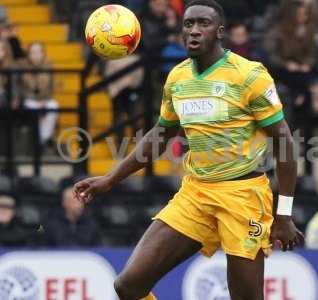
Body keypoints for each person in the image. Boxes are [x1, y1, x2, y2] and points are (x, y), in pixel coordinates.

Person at [74, 1, 304, 299]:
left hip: (243, 197)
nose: (194, 31)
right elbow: (161, 134)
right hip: (196, 193)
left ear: (220, 32)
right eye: (188, 24)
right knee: (128, 286)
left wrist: (283, 215)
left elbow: (284, 142)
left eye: (203, 24)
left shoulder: (249, 76)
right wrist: (110, 178)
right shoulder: (178, 78)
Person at [19, 42, 59, 146]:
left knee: (53, 105)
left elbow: (51, 87)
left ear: (43, 53)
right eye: (33, 52)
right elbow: (21, 89)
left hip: (44, 99)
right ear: (28, 54)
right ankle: (39, 143)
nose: (36, 55)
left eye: (38, 52)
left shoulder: (48, 65)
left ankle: (42, 140)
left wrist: (44, 100)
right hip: (28, 100)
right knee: (33, 108)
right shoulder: (22, 66)